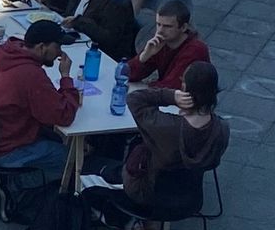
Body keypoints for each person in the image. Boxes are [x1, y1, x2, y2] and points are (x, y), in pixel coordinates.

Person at [84, 61, 229, 201]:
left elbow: (134, 100)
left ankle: (113, 218)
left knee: (85, 168)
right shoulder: (222, 128)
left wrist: (170, 96)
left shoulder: (167, 127)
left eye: (182, 82)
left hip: (149, 193)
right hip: (189, 196)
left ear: (186, 92)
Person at [0, 20, 81, 186]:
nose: (60, 53)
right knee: (72, 161)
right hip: (6, 149)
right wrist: (66, 78)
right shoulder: (31, 74)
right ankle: (16, 186)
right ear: (41, 47)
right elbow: (64, 115)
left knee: (52, 137)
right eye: (57, 46)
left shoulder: (7, 53)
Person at [126, 0, 210, 91]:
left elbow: (172, 87)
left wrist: (144, 87)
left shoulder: (195, 50)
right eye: (158, 24)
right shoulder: (161, 42)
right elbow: (126, 75)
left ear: (183, 27)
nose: (160, 30)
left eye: (167, 26)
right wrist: (144, 56)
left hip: (188, 102)